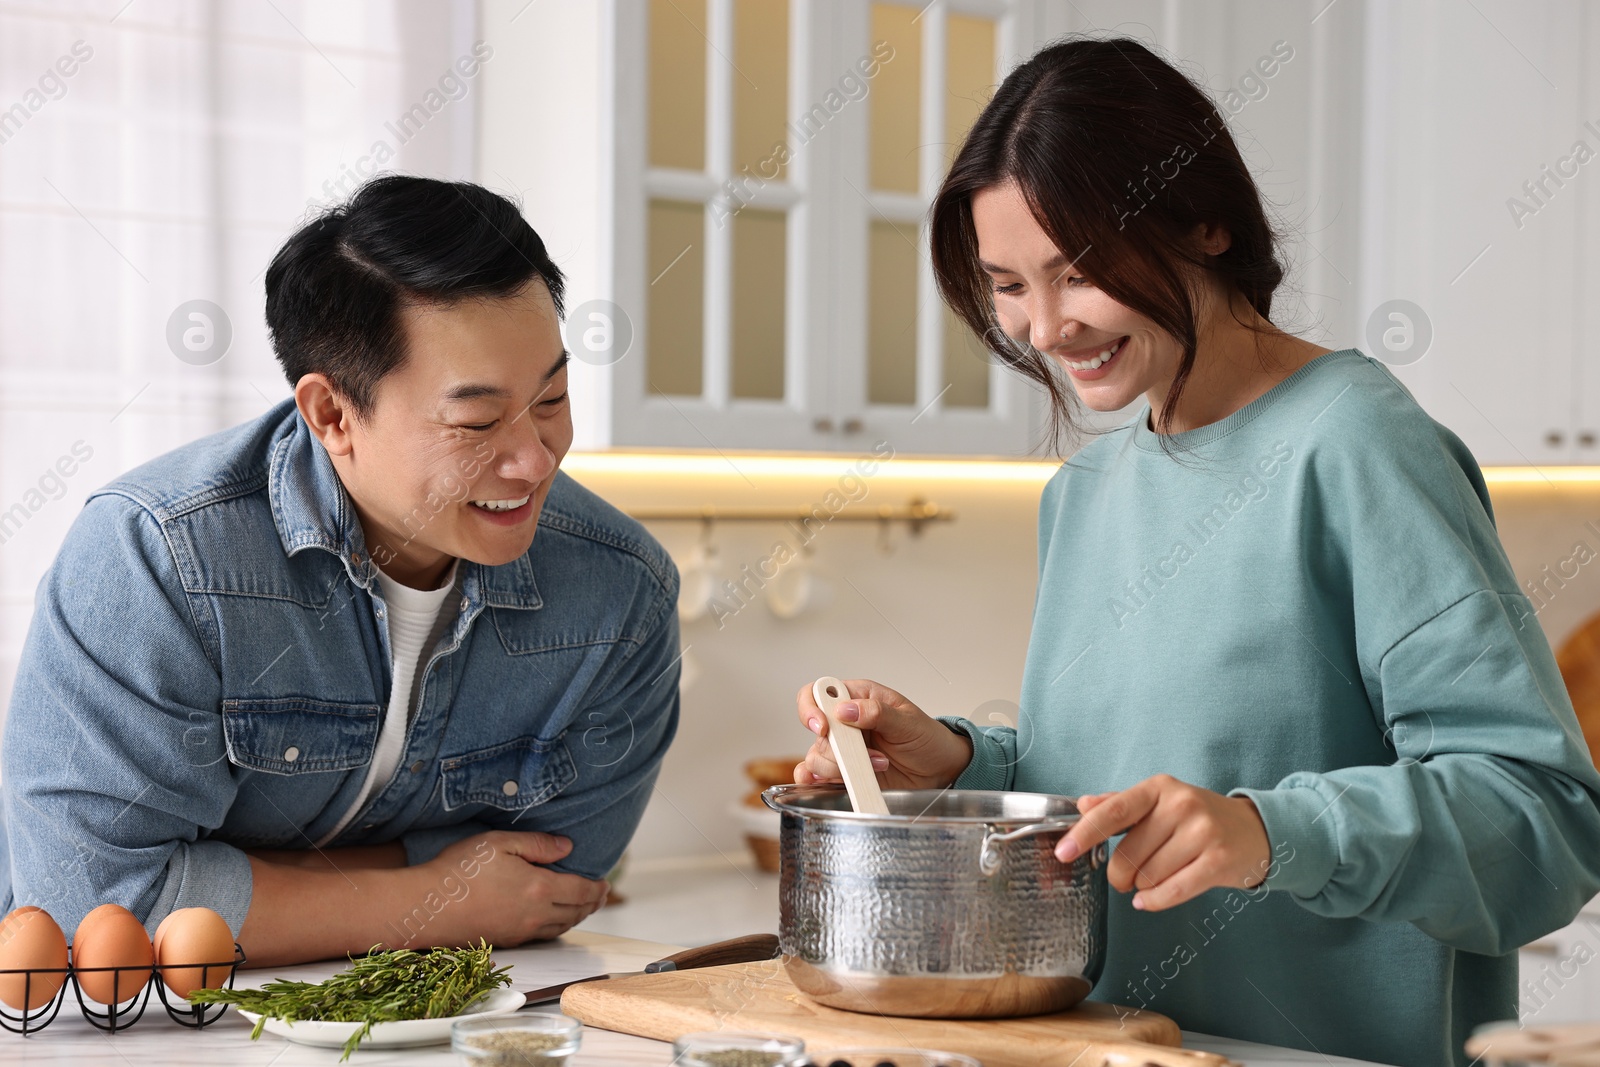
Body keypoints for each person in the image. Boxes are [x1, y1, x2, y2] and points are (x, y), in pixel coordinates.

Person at [793, 37, 1600, 1067]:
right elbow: (1109, 794)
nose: (1043, 325)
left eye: (1079, 271)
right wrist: (956, 763)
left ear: (1208, 222)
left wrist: (1266, 832)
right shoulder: (1081, 493)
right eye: (1007, 284)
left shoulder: (1355, 443)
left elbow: (1543, 818)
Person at [0, 176, 680, 967]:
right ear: (331, 415)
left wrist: (227, 881)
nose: (534, 459)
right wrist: (433, 897)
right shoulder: (159, 559)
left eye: (552, 397)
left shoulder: (621, 593)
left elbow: (553, 883)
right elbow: (92, 905)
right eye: (478, 421)